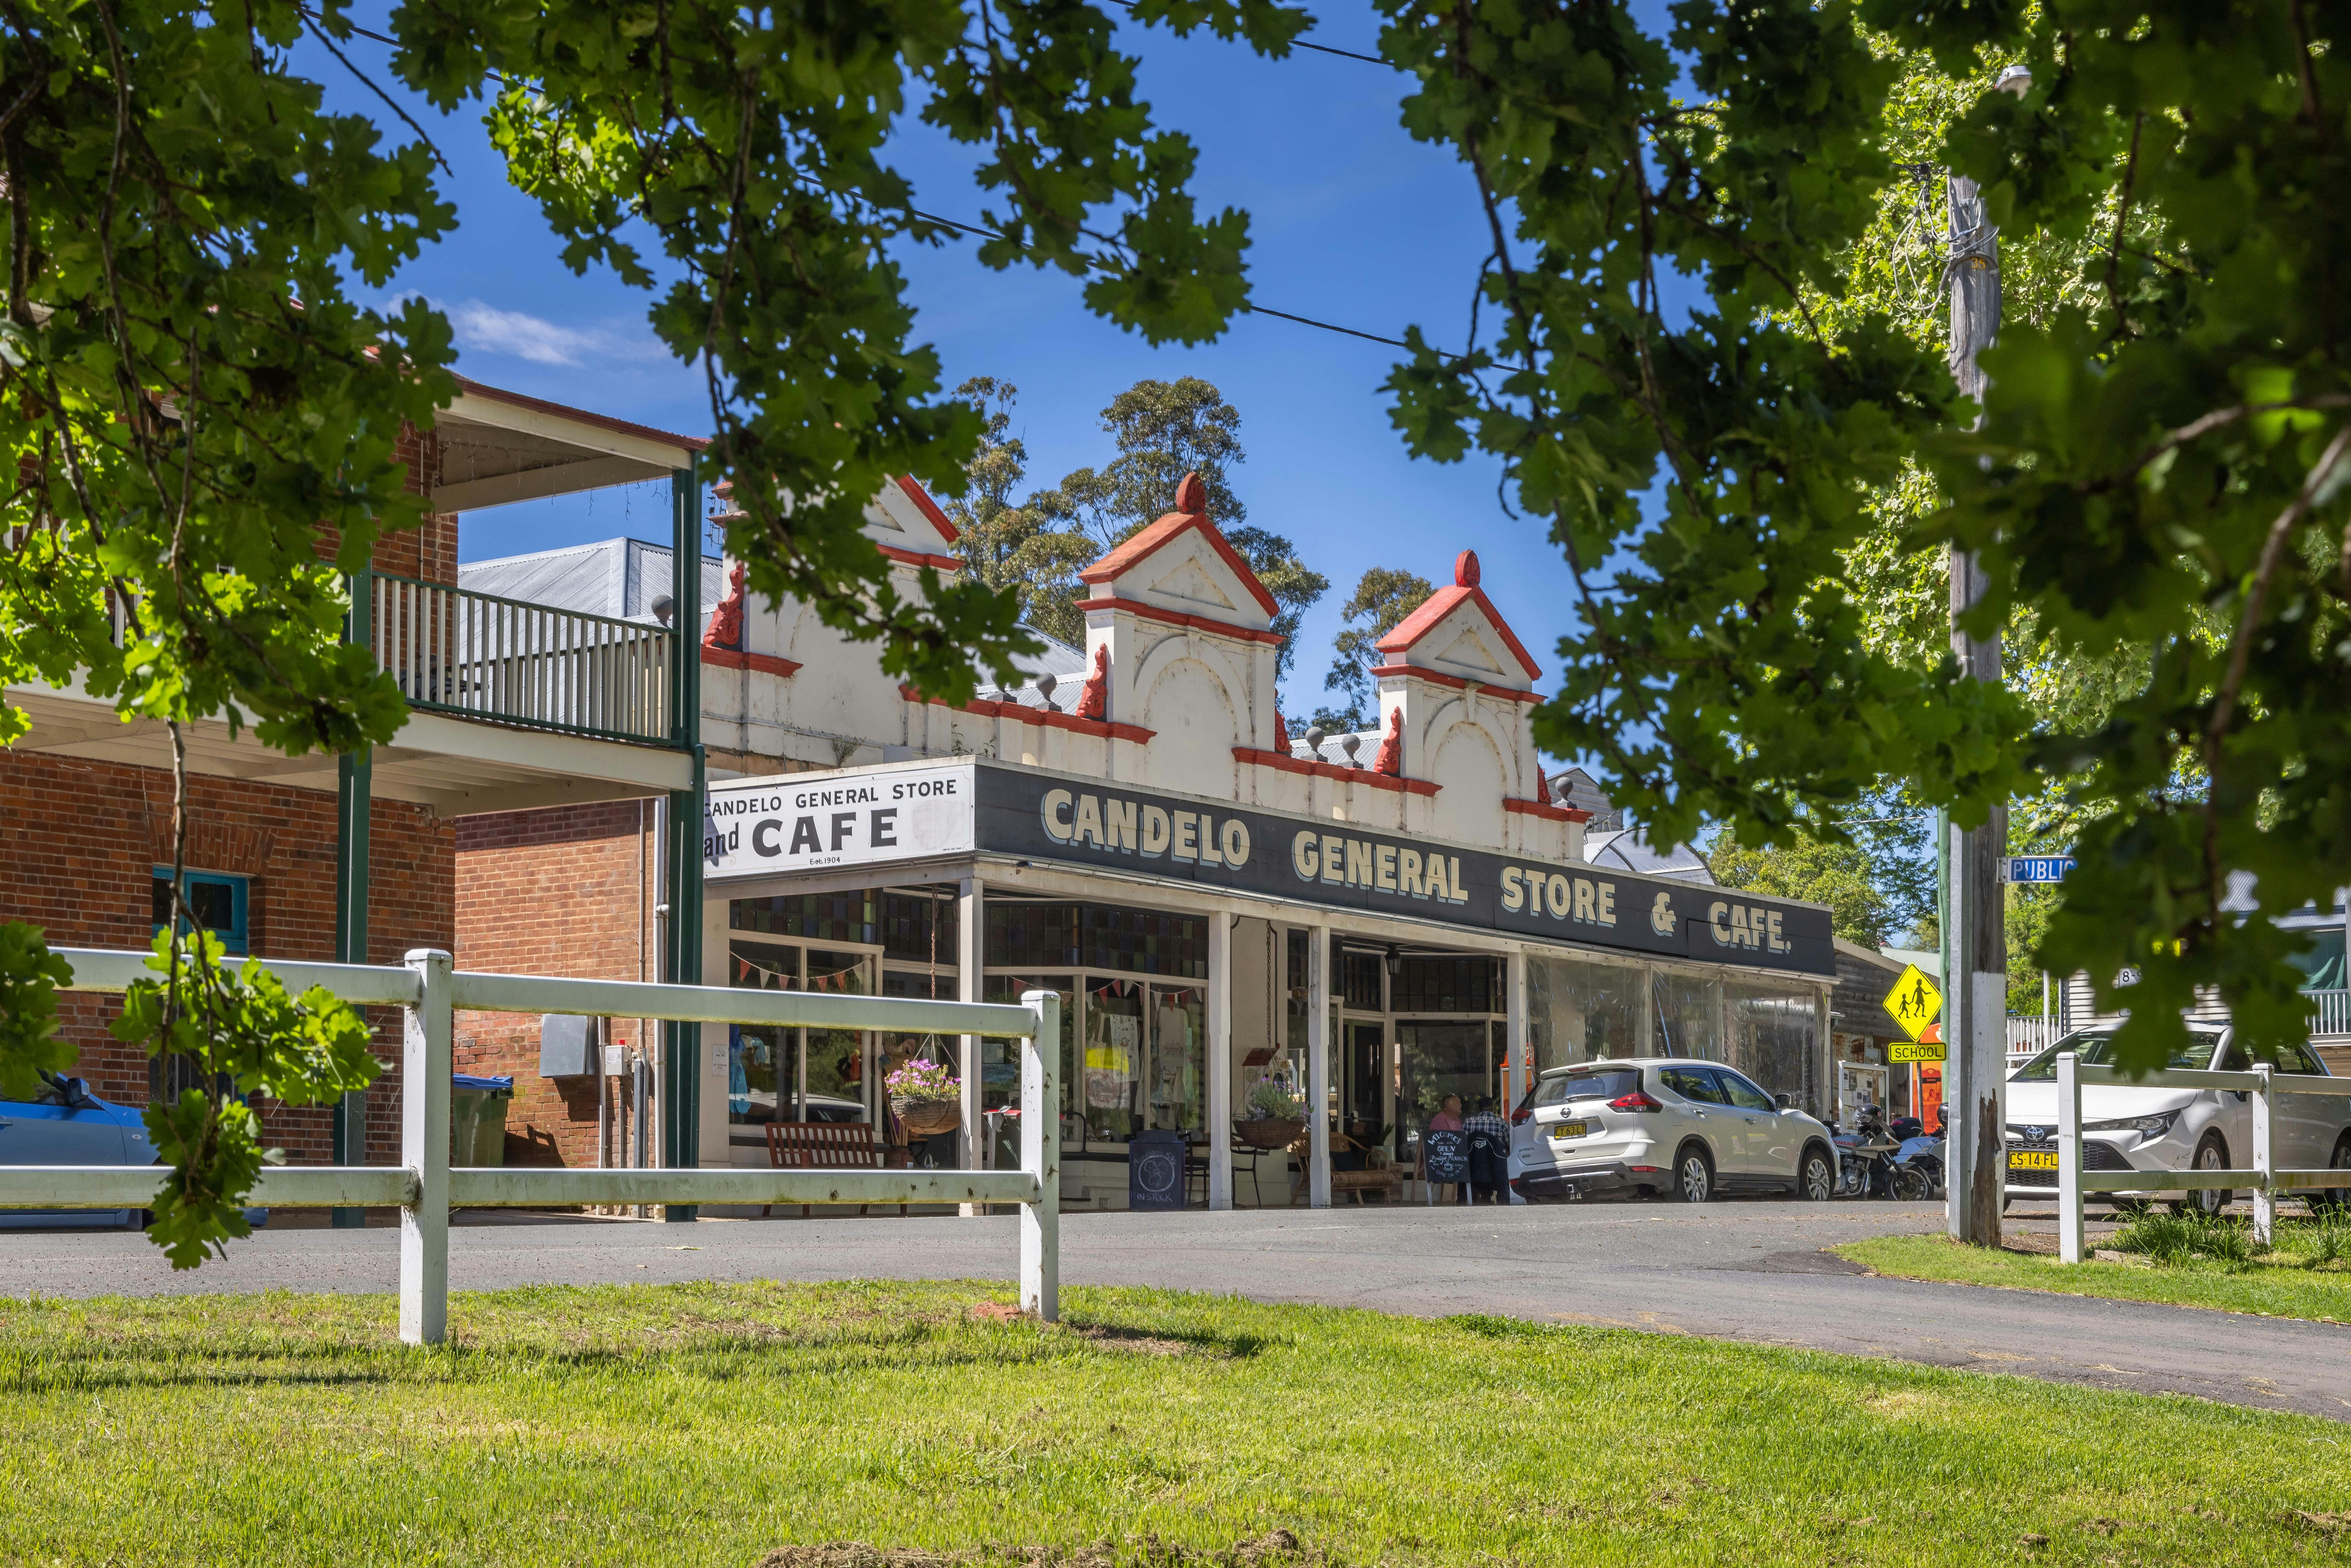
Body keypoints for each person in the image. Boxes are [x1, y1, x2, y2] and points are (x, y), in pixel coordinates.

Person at [1464, 1094, 1509, 1205]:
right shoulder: (1501, 1123)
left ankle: (1471, 1197)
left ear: (1479, 1109)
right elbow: (1510, 1145)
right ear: (1493, 1109)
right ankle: (1502, 1200)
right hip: (1496, 1170)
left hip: (1474, 1170)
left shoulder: (1469, 1123)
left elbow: (1462, 1146)